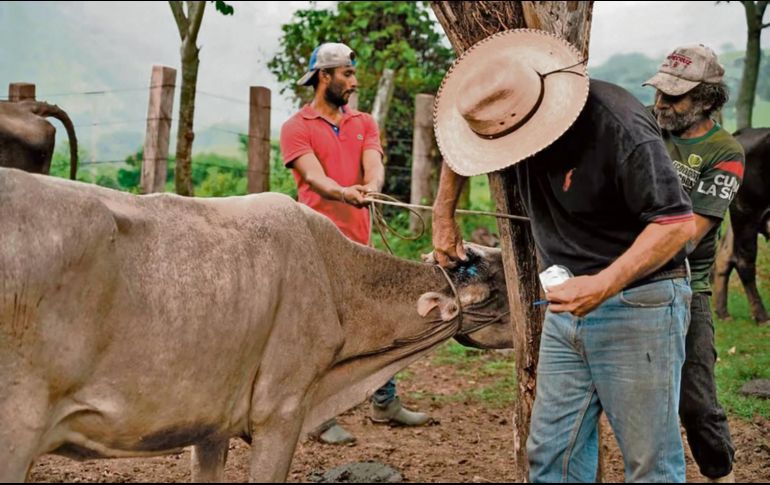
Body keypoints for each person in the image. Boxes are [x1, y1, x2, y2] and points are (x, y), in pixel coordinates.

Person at [430, 30, 695, 482]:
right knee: (552, 455)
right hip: (566, 305)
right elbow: (459, 147)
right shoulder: (503, 110)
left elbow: (676, 226)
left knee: (650, 462)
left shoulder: (620, 127)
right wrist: (443, 213)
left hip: (639, 301)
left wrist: (604, 284)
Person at [279, 42, 430, 445]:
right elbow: (312, 178)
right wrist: (346, 193)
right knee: (321, 331)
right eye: (347, 74)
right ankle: (316, 418)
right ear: (324, 76)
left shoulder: (364, 122)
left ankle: (385, 401)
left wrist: (371, 187)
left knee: (378, 318)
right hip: (316, 245)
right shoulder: (297, 126)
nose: (354, 81)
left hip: (359, 241)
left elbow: (374, 164)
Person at [644, 44, 744, 483]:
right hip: (624, 276)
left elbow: (690, 234)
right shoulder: (645, 126)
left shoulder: (725, 151)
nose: (661, 104)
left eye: (674, 97)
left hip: (688, 284)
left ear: (706, 100)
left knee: (697, 402)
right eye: (659, 93)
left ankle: (720, 472)